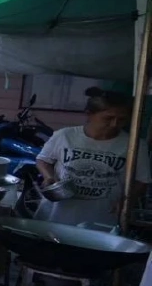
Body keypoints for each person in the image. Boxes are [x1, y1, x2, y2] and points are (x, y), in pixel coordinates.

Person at [36, 86, 149, 228]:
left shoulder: (135, 145)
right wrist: (49, 177)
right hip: (57, 212)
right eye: (108, 118)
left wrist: (127, 202)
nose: (114, 124)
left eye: (121, 120)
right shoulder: (65, 135)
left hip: (102, 216)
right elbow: (43, 160)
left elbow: (142, 180)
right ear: (89, 114)